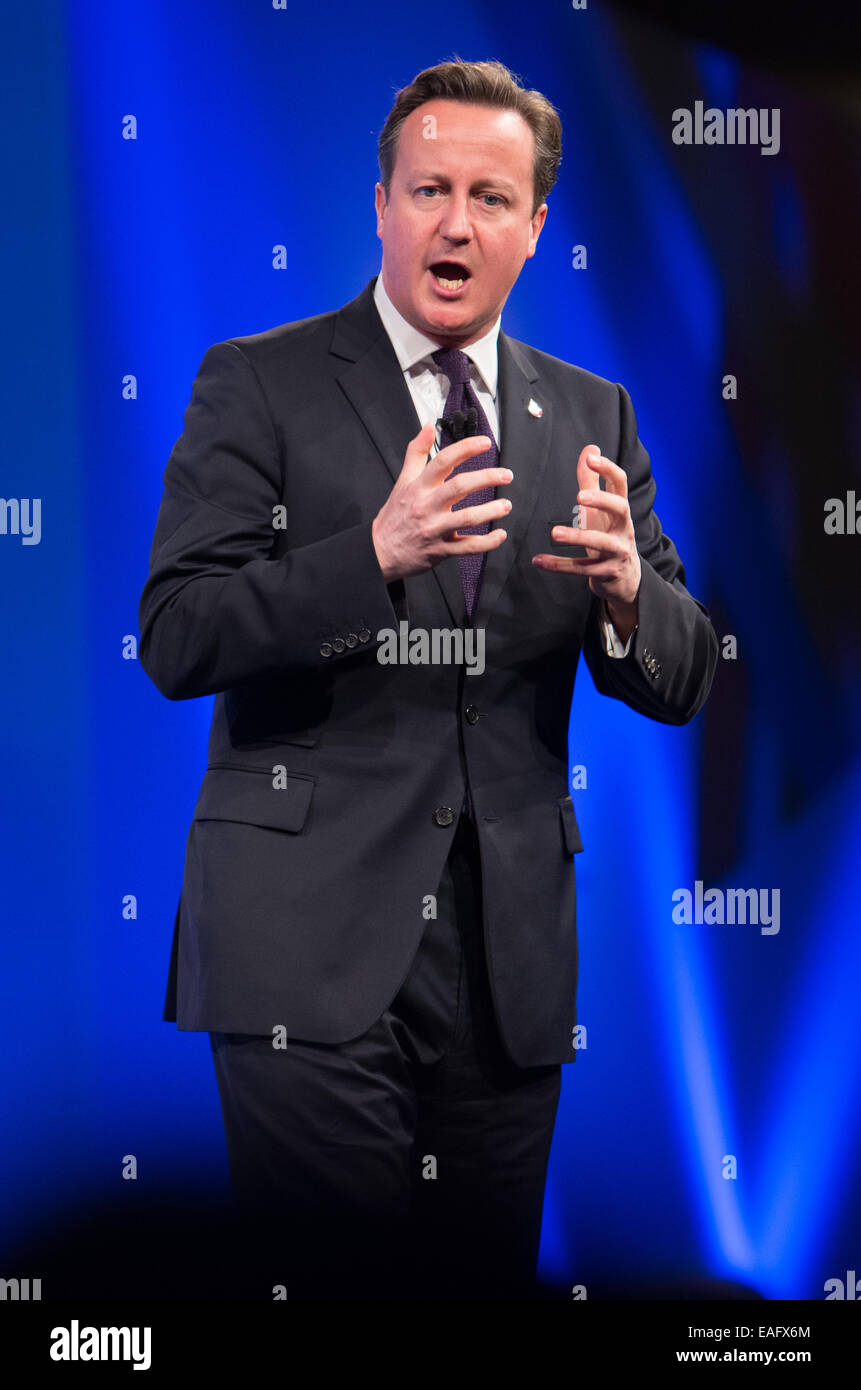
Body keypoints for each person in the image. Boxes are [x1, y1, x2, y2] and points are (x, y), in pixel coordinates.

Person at [138, 58, 717, 1301]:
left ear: (535, 228)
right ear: (385, 204)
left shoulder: (592, 415)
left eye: (492, 198)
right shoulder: (264, 381)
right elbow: (177, 634)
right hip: (307, 943)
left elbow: (686, 673)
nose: (457, 223)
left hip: (503, 970)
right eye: (430, 190)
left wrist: (627, 595)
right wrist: (374, 556)